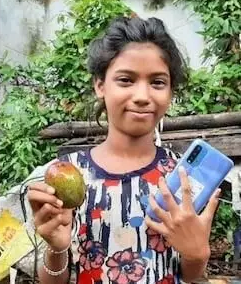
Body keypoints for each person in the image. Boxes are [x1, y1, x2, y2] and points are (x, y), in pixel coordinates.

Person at [27, 17, 220, 283]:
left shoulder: (182, 176)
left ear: (170, 92)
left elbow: (188, 275)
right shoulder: (69, 174)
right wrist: (57, 247)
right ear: (100, 85)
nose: (142, 96)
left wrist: (197, 254)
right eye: (126, 80)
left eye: (158, 82)